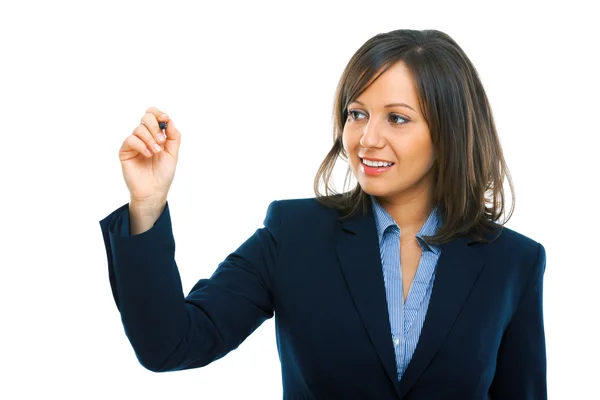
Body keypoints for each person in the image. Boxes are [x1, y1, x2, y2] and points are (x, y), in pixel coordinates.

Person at [99, 29, 547, 399]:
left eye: (397, 118)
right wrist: (147, 204)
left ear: (449, 131)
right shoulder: (293, 236)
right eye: (357, 114)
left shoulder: (513, 263)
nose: (367, 139)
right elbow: (169, 344)